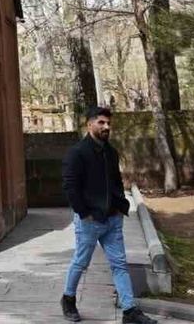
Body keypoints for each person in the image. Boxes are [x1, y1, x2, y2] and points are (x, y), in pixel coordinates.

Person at [59, 107, 157, 324]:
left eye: (108, 123)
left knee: (120, 264)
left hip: (113, 219)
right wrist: (84, 213)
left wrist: (120, 206)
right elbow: (70, 186)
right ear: (89, 124)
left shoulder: (111, 152)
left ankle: (129, 311)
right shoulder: (77, 153)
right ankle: (68, 299)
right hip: (89, 221)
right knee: (81, 262)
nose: (106, 127)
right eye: (101, 123)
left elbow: (116, 182)